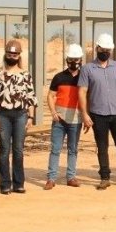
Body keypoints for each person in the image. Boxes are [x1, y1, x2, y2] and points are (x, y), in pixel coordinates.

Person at [78, 33, 116, 190]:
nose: (105, 52)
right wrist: (84, 114)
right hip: (98, 114)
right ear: (97, 48)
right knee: (102, 146)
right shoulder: (87, 69)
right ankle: (104, 177)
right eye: (103, 49)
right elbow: (82, 92)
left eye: (108, 50)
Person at [0, 39, 37, 195]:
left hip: (21, 115)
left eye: (15, 54)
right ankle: (5, 183)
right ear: (5, 54)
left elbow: (31, 97)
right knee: (4, 149)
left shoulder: (25, 75)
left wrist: (30, 117)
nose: (12, 56)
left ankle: (19, 183)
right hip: (3, 115)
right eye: (10, 53)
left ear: (19, 55)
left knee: (18, 149)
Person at [44, 44, 84, 190]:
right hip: (59, 120)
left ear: (81, 59)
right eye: (71, 59)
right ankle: (51, 178)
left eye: (76, 59)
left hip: (76, 120)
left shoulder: (84, 79)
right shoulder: (59, 77)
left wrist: (86, 116)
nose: (73, 62)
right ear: (67, 59)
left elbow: (87, 97)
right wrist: (53, 112)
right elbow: (50, 95)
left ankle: (71, 177)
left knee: (73, 149)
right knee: (55, 149)